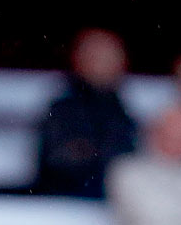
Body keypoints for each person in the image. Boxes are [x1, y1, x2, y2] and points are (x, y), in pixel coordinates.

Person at [33, 28, 137, 198]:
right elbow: (60, 163)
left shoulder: (122, 111)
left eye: (111, 57)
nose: (106, 64)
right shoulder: (62, 110)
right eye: (97, 57)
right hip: (69, 198)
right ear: (79, 61)